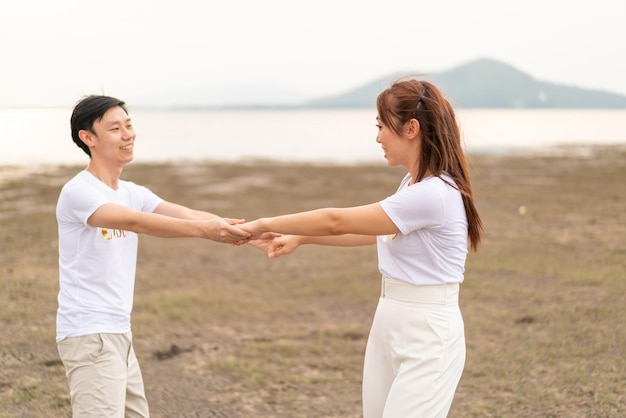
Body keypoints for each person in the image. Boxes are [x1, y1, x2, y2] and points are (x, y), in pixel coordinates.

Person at [242, 79, 483, 417]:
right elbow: (368, 232)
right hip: (390, 317)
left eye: (381, 125)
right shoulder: (412, 185)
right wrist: (301, 237)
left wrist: (265, 223)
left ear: (411, 128)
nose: (378, 136)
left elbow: (335, 221)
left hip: (428, 331)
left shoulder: (435, 194)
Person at [55, 95, 251, 417]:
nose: (128, 134)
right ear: (87, 138)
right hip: (90, 334)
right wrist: (207, 232)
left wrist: (248, 231)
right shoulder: (79, 192)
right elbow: (136, 222)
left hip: (119, 331)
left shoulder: (132, 192)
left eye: (129, 125)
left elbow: (186, 213)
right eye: (115, 128)